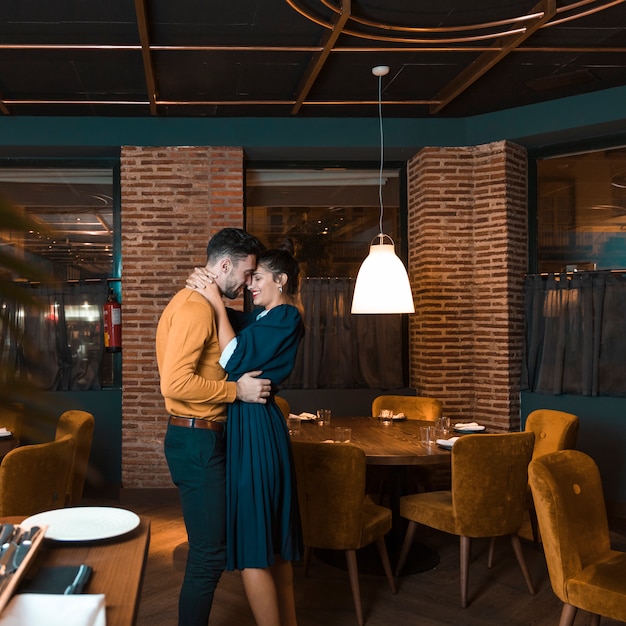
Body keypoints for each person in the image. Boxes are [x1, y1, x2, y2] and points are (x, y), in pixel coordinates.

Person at [156, 228, 271, 626]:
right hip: (196, 439)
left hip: (201, 437)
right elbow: (174, 383)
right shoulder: (195, 308)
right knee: (208, 555)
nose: (247, 282)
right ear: (224, 265)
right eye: (245, 273)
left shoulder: (203, 303)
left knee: (211, 550)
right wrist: (235, 391)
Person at [187, 239, 304, 626]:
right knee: (272, 550)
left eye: (258, 278)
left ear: (281, 280)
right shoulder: (265, 318)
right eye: (249, 277)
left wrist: (217, 303)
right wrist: (207, 289)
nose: (251, 285)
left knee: (256, 550)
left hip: (256, 431)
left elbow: (231, 357)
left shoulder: (286, 316)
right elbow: (232, 328)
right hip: (253, 427)